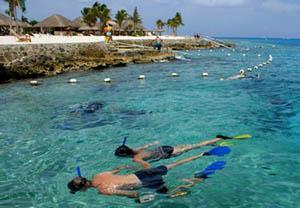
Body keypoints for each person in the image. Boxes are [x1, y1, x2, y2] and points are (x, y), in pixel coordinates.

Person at [67, 152, 212, 198]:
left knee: (171, 193)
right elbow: (120, 167)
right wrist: (130, 166)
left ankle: (198, 178)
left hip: (146, 183)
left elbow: (133, 194)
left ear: (84, 187)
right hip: (141, 173)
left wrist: (140, 201)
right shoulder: (99, 174)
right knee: (176, 164)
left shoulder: (103, 190)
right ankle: (201, 154)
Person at [115, 135, 229, 169]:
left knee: (195, 146)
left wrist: (136, 169)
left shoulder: (136, 158)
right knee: (192, 146)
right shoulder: (136, 150)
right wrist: (154, 142)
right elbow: (147, 145)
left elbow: (147, 166)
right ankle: (212, 142)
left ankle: (218, 139)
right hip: (163, 148)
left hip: (167, 153)